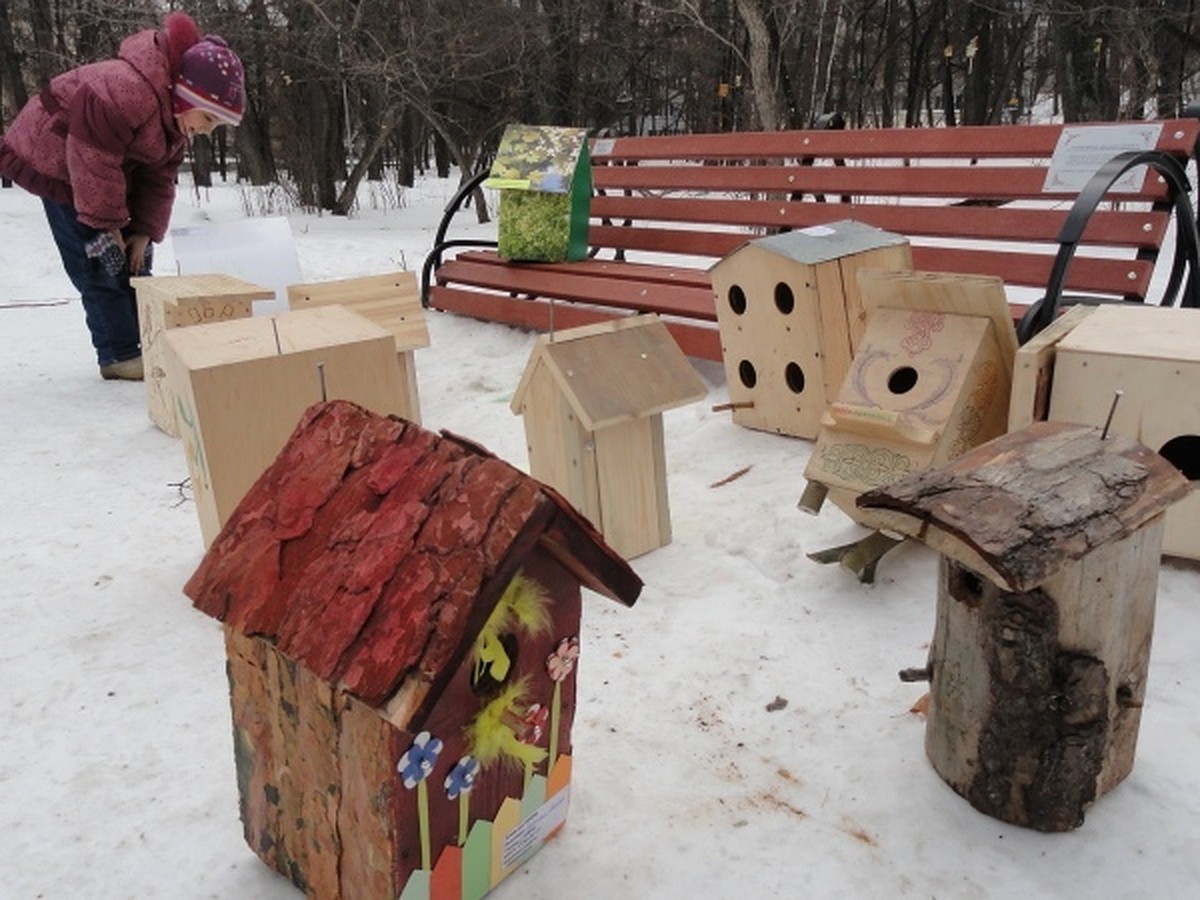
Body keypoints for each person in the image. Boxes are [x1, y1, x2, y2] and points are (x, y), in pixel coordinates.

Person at [0, 12, 244, 381]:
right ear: (185, 95)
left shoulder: (174, 123)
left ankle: (141, 337)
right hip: (58, 158)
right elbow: (91, 158)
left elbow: (158, 179)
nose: (207, 131)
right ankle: (118, 352)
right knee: (98, 257)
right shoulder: (125, 90)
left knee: (133, 257)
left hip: (105, 169)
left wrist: (142, 230)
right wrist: (107, 226)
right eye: (208, 120)